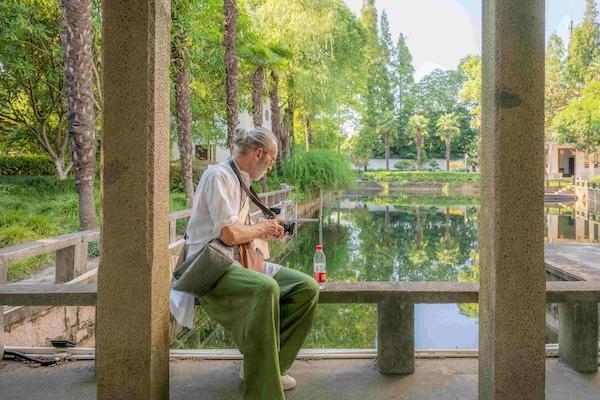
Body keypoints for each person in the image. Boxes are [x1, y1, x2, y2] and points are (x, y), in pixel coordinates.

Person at [170, 127, 320, 400]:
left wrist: (267, 229)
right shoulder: (218, 176)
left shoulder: (241, 181)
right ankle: (263, 391)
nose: (272, 166)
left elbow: (242, 231)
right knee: (266, 288)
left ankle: (268, 368)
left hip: (237, 261)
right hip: (211, 268)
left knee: (306, 287)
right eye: (271, 159)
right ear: (259, 153)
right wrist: (262, 228)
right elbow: (229, 233)